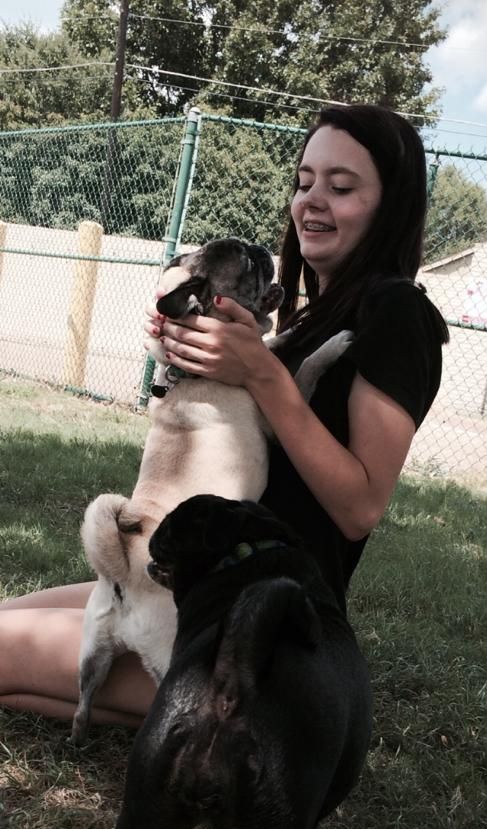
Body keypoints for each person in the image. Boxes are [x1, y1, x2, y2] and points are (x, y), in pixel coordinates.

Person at [0, 103, 448, 727]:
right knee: (7, 621)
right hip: (175, 582)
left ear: (391, 205)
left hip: (253, 621)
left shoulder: (398, 314)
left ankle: (228, 719)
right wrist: (178, 351)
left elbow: (359, 507)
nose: (312, 200)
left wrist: (262, 374)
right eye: (304, 182)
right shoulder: (311, 314)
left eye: (341, 187)